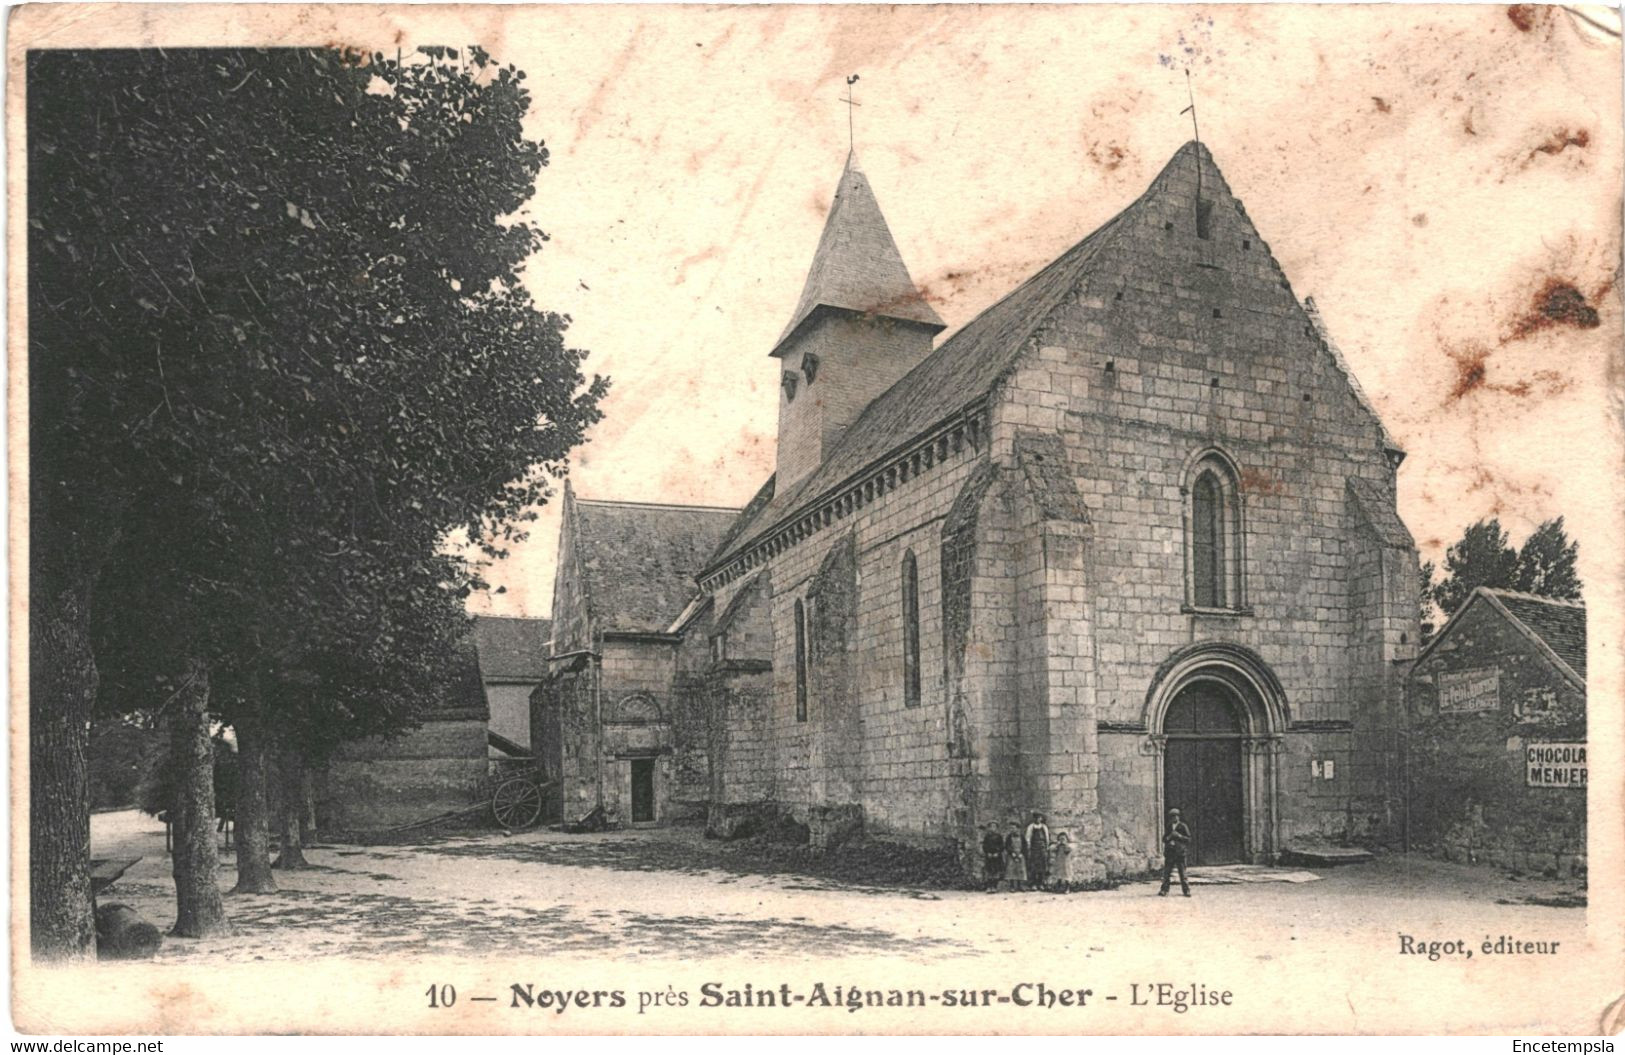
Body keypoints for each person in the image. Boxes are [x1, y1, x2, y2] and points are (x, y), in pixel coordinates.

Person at [1159, 807, 1192, 897]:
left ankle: (1186, 891)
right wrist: (1169, 838)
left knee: (1182, 872)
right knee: (1167, 873)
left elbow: (1188, 839)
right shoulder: (1169, 826)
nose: (1175, 818)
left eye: (1176, 816)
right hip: (1170, 853)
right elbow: (1164, 839)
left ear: (1179, 817)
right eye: (1173, 816)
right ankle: (1164, 890)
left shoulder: (1183, 826)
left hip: (1180, 853)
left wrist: (1179, 836)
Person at [1024, 812, 1051, 891]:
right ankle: (1033, 883)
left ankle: (1041, 883)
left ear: (1041, 819)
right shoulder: (1031, 827)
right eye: (1036, 818)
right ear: (1034, 818)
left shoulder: (1044, 827)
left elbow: (1047, 838)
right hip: (1034, 849)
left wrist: (1047, 847)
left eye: (1039, 818)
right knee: (1034, 866)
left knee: (1042, 866)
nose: (1038, 819)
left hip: (1042, 848)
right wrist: (1029, 847)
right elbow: (1028, 838)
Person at [980, 823, 1005, 892]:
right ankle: (989, 886)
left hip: (997, 856)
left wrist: (997, 853)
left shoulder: (999, 836)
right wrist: (987, 852)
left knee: (996, 871)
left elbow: (1002, 846)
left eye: (994, 827)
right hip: (989, 856)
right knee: (989, 871)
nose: (992, 828)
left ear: (996, 828)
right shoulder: (987, 836)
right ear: (989, 828)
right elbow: (984, 845)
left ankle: (994, 886)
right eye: (991, 827)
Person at [1004, 826, 1027, 892]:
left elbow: (1025, 846)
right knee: (1011, 871)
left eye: (1014, 828)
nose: (1013, 830)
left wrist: (1021, 854)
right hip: (1011, 855)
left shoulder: (1022, 837)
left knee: (1020, 870)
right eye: (1011, 828)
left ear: (1018, 829)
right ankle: (1012, 886)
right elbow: (1007, 845)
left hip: (1020, 854)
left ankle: (1020, 885)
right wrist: (1011, 853)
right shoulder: (1009, 837)